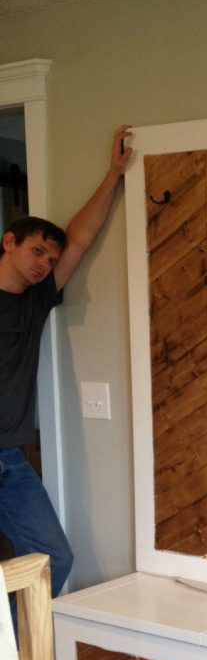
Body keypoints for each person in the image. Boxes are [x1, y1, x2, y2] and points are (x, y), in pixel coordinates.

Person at [0, 124, 133, 612]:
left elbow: (79, 238)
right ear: (8, 241)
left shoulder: (35, 302)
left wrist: (114, 174)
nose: (44, 263)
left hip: (10, 460)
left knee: (53, 557)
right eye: (37, 250)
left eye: (49, 258)